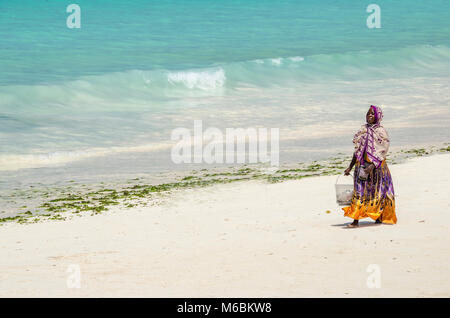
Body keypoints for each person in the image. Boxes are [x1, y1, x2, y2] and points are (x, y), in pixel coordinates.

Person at [343, 105, 397, 228]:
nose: (369, 116)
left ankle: (377, 216)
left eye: (372, 114)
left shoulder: (381, 131)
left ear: (377, 116)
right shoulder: (362, 130)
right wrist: (350, 167)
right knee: (359, 193)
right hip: (361, 167)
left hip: (377, 168)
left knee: (377, 193)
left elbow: (383, 150)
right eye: (368, 114)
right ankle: (355, 220)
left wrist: (372, 165)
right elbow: (357, 150)